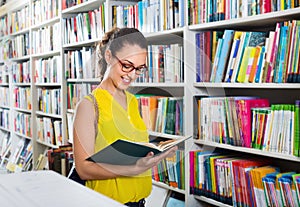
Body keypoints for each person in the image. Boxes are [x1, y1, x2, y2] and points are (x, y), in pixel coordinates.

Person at [73, 27, 178, 207]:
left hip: (139, 202)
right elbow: (84, 170)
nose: (131, 75)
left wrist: (155, 155)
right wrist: (133, 169)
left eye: (139, 69)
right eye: (127, 65)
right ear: (109, 57)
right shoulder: (88, 106)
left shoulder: (133, 102)